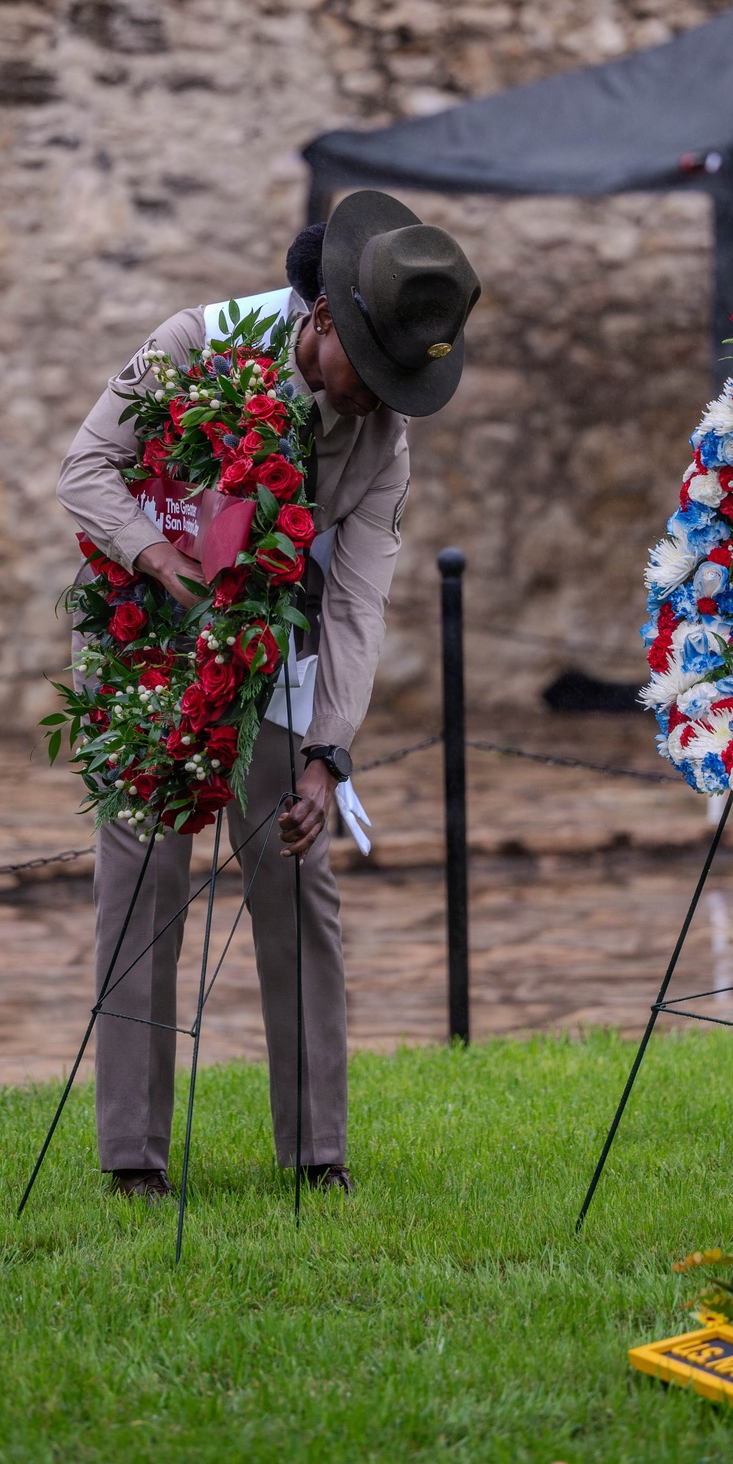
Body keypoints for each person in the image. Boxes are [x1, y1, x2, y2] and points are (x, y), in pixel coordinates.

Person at [57, 191, 481, 1202]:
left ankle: (316, 1151)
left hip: (272, 652)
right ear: (322, 320)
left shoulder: (383, 442)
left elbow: (357, 603)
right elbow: (86, 468)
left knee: (299, 885)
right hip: (146, 638)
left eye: (396, 386)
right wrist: (160, 559)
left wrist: (329, 754)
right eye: (364, 371)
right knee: (145, 888)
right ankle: (133, 1160)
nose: (372, 400)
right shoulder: (195, 344)